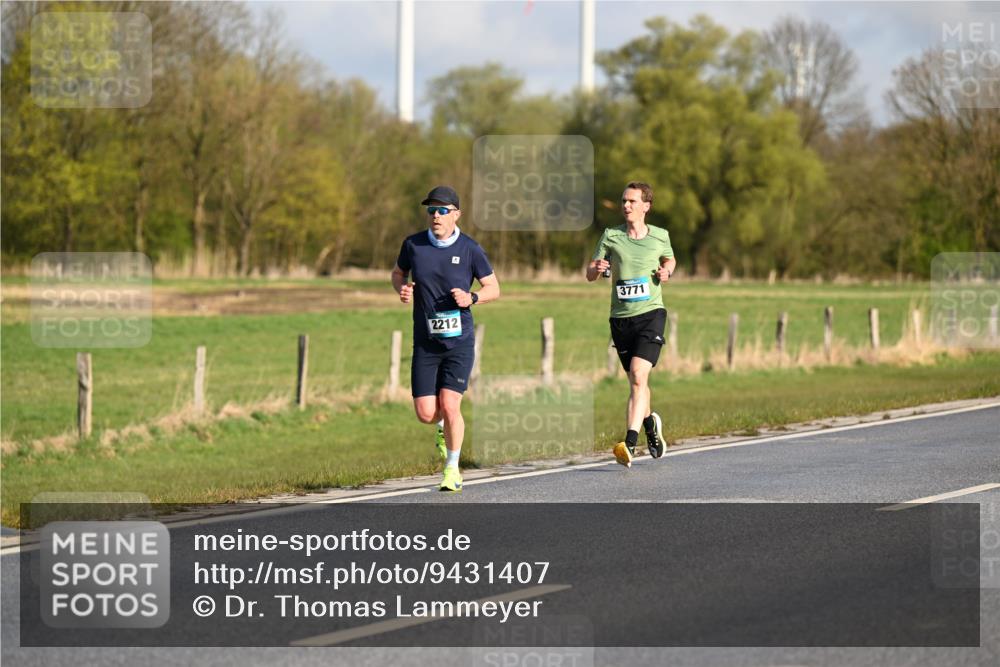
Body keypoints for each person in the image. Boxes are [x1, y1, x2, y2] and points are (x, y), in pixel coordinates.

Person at [391, 186, 500, 491]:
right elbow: (398, 273)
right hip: (426, 341)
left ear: (456, 214)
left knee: (451, 404)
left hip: (459, 342)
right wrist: (402, 289)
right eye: (431, 210)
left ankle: (452, 469)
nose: (435, 216)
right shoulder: (413, 245)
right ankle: (442, 428)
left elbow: (494, 287)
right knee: (427, 413)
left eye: (442, 210)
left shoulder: (470, 249)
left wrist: (472, 298)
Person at [586, 182, 676, 467]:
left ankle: (630, 443)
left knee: (639, 376)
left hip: (651, 314)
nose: (626, 206)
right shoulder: (611, 236)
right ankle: (650, 424)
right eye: (624, 201)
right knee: (638, 383)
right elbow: (591, 272)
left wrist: (667, 271)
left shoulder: (660, 236)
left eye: (632, 201)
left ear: (646, 206)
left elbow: (670, 259)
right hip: (621, 319)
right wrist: (597, 269)